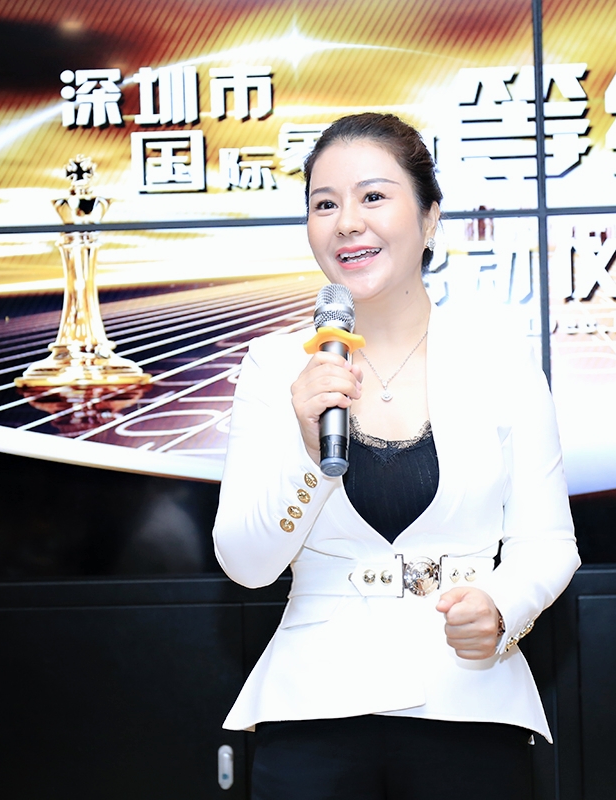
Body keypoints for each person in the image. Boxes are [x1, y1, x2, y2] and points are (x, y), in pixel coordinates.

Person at [212, 112, 580, 799]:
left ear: (430, 217)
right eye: (325, 204)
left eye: (373, 197)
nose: (347, 223)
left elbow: (549, 541)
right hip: (313, 707)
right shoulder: (274, 366)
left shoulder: (500, 362)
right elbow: (246, 563)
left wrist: (502, 606)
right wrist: (307, 448)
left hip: (468, 701)